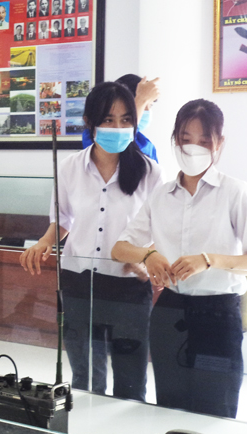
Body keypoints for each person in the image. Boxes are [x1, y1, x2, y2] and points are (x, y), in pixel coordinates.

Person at [111, 99, 247, 418]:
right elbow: (120, 249)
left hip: (218, 313)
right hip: (169, 311)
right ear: (174, 140)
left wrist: (209, 259)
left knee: (215, 409)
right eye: (185, 139)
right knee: (170, 406)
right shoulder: (161, 194)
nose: (193, 148)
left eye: (204, 141)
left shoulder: (234, 192)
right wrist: (149, 254)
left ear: (219, 144)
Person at [20, 82, 163, 400]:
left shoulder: (150, 172)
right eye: (108, 120)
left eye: (126, 120)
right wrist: (45, 241)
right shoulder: (70, 167)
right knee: (85, 378)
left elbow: (160, 233)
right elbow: (63, 220)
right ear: (89, 121)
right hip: (78, 284)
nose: (118, 127)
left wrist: (145, 259)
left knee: (130, 381)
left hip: (128, 287)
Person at [82, 74, 161, 162]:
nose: (146, 110)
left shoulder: (144, 142)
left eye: (149, 105)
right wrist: (141, 99)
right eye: (143, 105)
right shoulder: (99, 135)